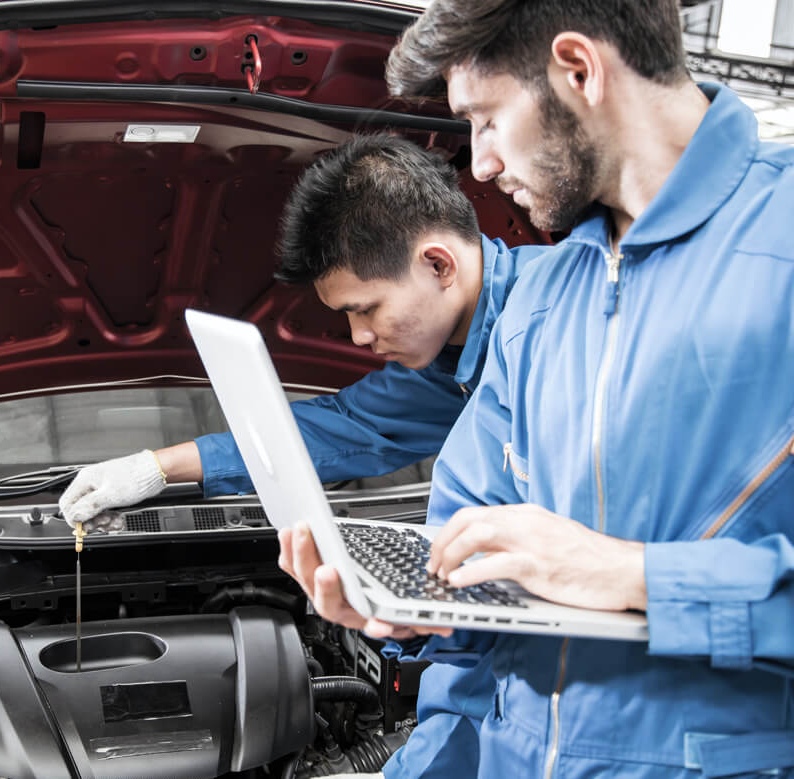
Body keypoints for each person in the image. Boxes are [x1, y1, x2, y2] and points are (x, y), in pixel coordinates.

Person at [280, 1, 794, 776]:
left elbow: (600, 574)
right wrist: (413, 610)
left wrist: (634, 577)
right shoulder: (543, 301)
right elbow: (472, 620)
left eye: (484, 119)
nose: (478, 163)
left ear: (579, 69)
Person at [59, 132, 546, 777]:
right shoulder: (451, 358)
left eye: (365, 309)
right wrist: (155, 467)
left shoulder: (555, 330)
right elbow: (344, 427)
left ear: (438, 265)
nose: (359, 336)